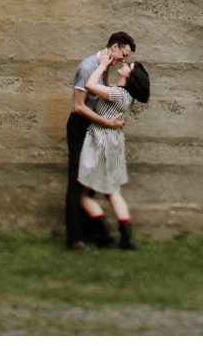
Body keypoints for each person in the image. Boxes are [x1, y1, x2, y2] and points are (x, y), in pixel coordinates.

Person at [65, 32, 134, 248]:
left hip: (94, 127)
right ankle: (75, 239)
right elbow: (79, 106)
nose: (123, 60)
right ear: (114, 47)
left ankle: (92, 233)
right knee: (77, 182)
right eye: (124, 54)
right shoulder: (88, 67)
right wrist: (106, 123)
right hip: (80, 127)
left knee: (90, 182)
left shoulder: (104, 65)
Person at [78, 54, 150, 249]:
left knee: (82, 196)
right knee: (112, 192)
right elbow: (108, 88)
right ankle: (127, 237)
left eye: (130, 65)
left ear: (130, 76)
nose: (125, 63)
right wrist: (108, 69)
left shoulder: (119, 94)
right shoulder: (123, 93)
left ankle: (105, 232)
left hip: (100, 142)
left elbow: (91, 86)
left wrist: (102, 65)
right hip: (114, 143)